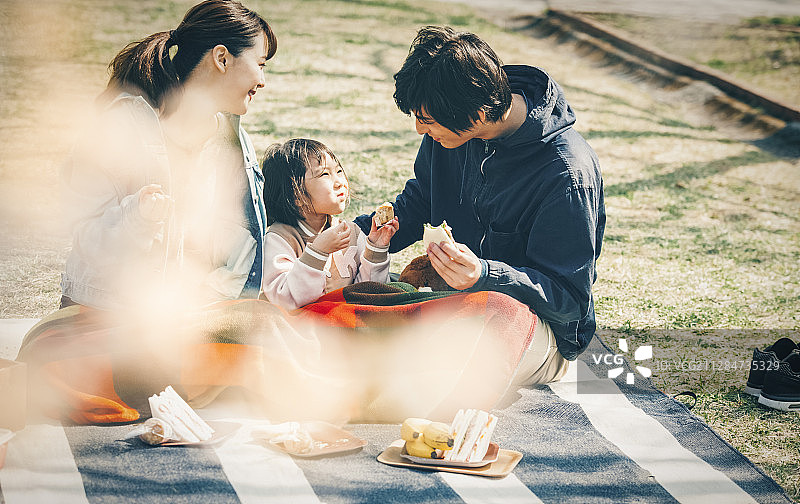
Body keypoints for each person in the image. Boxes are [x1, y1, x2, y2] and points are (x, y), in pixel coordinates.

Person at [355, 26, 605, 372]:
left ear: (477, 114)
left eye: (425, 119)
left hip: (533, 328)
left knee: (424, 364)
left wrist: (485, 275)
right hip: (455, 303)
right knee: (361, 316)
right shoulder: (450, 133)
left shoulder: (565, 173)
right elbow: (419, 203)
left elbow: (569, 302)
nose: (419, 130)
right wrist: (351, 238)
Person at [59, 0, 278, 310]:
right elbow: (87, 237)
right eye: (260, 63)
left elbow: (235, 244)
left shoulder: (231, 141)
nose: (262, 80)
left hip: (176, 323)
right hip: (100, 314)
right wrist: (139, 218)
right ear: (222, 59)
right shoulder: (121, 126)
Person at [261, 138, 399, 310]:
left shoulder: (352, 232)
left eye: (339, 171)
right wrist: (317, 252)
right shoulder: (280, 239)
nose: (340, 182)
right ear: (297, 196)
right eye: (325, 174)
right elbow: (285, 300)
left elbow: (368, 295)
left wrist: (376, 250)